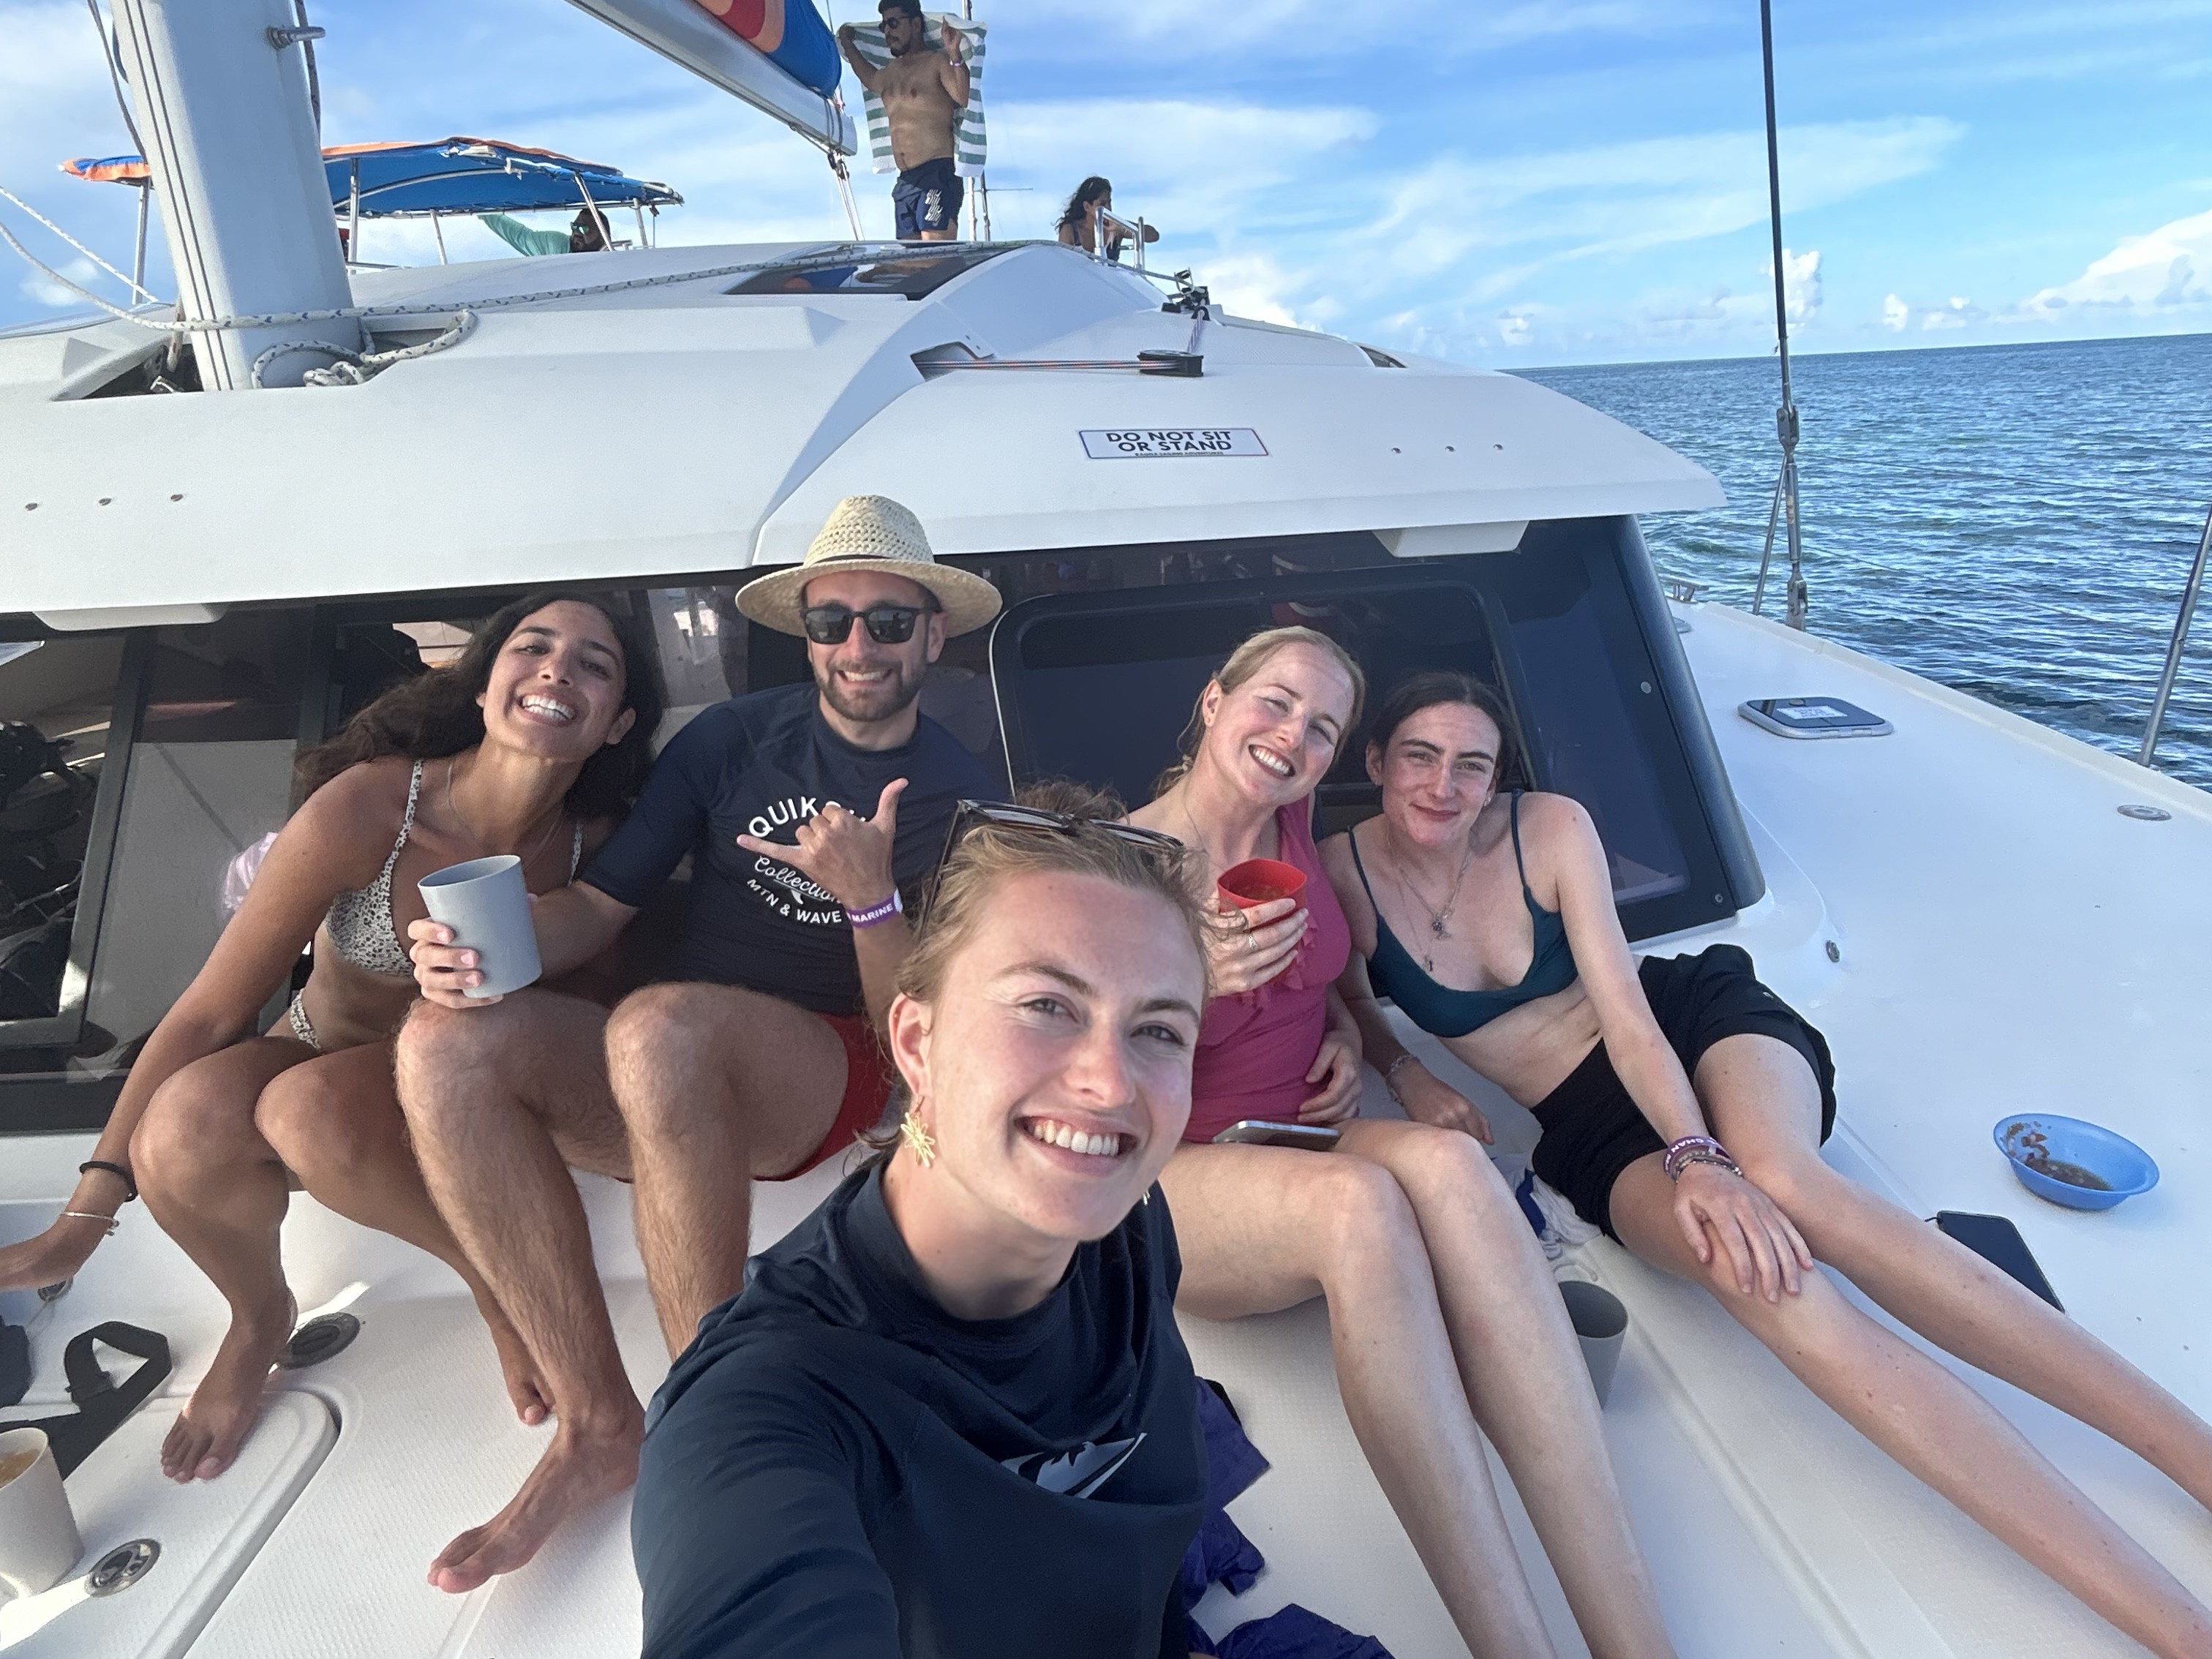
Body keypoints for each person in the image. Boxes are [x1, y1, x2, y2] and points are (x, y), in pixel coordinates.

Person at [1325, 670, 2212, 1659]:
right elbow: (1349, 1002)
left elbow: (1627, 1019)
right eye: (1420, 757)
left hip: (1687, 1027)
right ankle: (2181, 1632)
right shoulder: (1343, 876)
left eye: (1472, 765)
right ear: (1375, 763)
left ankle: (2197, 1458)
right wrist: (1404, 1072)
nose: (1444, 785)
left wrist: (1702, 1156)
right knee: (1777, 1286)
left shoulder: (1550, 827)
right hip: (1589, 1131)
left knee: (1790, 1188)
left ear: (1497, 780)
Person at [396, 494, 1001, 1595]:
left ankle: (725, 1431)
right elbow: (598, 908)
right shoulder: (730, 740)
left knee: (662, 1023)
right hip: (668, 1063)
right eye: (832, 623)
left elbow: (913, 1026)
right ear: (806, 633)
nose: (858, 647)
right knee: (444, 1043)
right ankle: (595, 1424)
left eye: (889, 622)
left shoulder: (964, 796)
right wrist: (476, 953)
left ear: (934, 635)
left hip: (830, 1065)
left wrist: (869, 899)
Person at [0, 595, 661, 1486]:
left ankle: (502, 1293)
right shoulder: (374, 808)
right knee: (185, 1124)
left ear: (619, 721)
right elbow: (207, 1013)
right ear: (483, 685)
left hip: (455, 1097)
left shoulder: (601, 849)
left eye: (594, 663)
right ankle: (258, 1313)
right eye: (532, 648)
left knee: (307, 1111)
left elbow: (597, 1010)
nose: (555, 670)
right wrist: (90, 1208)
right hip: (317, 1049)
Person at [1125, 628, 1677, 1659]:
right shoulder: (1118, 865)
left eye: (1322, 727)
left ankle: (1636, 1640)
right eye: (1276, 703)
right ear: (1213, 701)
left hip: (1308, 1138)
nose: (1293, 737)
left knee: (1458, 1164)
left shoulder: (1290, 825)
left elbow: (1330, 972)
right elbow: (1080, 1083)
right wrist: (1183, 976)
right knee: (1364, 1206)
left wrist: (1348, 1035)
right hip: (1189, 1181)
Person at [632, 791, 1209, 1658]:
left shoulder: (1130, 1226)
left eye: (1159, 1029)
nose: (1112, 1083)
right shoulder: (771, 1404)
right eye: (1047, 1005)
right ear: (915, 1042)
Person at [835, 1, 969, 241]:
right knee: (910, 261)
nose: (887, 31)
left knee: (934, 257)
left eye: (893, 23)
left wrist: (955, 54)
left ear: (916, 24)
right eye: (883, 25)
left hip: (937, 173)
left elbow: (962, 96)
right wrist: (847, 44)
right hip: (906, 181)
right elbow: (869, 78)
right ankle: (887, 269)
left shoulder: (936, 62)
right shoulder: (889, 73)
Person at [1056, 176, 1159, 262]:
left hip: (1109, 284)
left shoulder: (1117, 227)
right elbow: (1063, 264)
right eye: (1102, 204)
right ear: (1087, 207)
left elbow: (1154, 236)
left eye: (1109, 202)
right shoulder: (1071, 230)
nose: (1108, 208)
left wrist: (1121, 227)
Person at [481, 206, 610, 257]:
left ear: (602, 237)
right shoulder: (557, 244)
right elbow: (520, 236)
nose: (576, 233)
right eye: (574, 227)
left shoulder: (614, 261)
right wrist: (485, 212)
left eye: (583, 229)